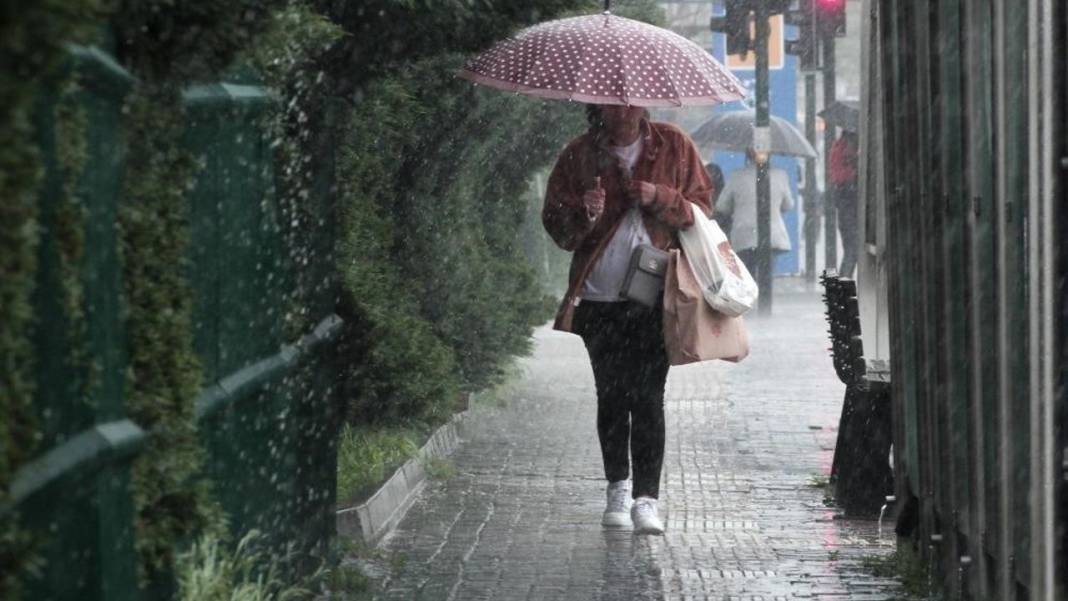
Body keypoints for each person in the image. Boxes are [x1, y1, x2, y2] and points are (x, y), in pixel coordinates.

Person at [542, 104, 713, 535]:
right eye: (614, 103)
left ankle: (646, 500)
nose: (624, 111)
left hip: (655, 296)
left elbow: (702, 211)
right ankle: (617, 488)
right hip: (599, 299)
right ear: (598, 107)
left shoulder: (673, 145)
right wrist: (585, 213)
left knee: (649, 397)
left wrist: (662, 198)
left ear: (644, 104)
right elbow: (558, 229)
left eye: (631, 102)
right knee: (612, 395)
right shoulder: (580, 154)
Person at [714, 149, 795, 278]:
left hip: (744, 234)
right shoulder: (780, 175)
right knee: (766, 276)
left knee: (748, 275)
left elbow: (722, 206)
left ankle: (753, 294)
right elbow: (788, 205)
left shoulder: (737, 176)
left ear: (747, 156)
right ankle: (765, 296)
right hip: (771, 234)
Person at [830, 130, 859, 277]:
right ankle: (843, 287)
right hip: (849, 205)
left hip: (845, 205)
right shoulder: (846, 150)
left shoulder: (839, 147)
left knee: (850, 250)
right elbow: (843, 176)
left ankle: (842, 288)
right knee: (852, 251)